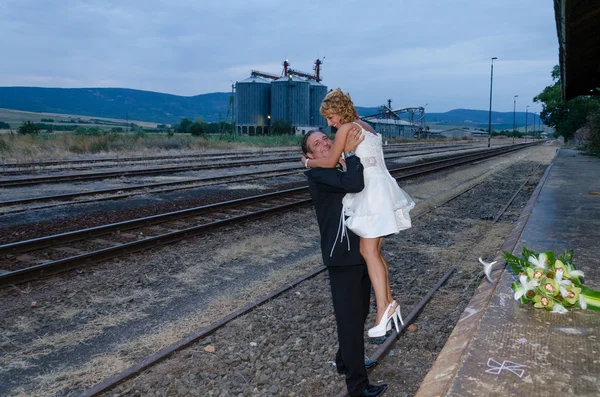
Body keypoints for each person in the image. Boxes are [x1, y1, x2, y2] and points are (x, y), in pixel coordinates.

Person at [301, 88, 415, 338]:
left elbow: (330, 162)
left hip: (371, 192)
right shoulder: (366, 126)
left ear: (339, 112)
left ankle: (385, 308)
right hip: (383, 188)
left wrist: (308, 162)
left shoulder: (345, 129)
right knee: (374, 251)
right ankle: (387, 306)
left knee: (367, 251)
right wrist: (345, 158)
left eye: (330, 117)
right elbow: (353, 159)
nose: (330, 123)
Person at [302, 128, 388, 397]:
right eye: (317, 144)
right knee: (350, 320)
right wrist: (350, 154)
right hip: (343, 257)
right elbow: (355, 184)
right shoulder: (319, 173)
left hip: (359, 251)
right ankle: (357, 386)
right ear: (309, 155)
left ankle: (345, 359)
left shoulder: (333, 167)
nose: (325, 143)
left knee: (358, 312)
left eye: (326, 138)